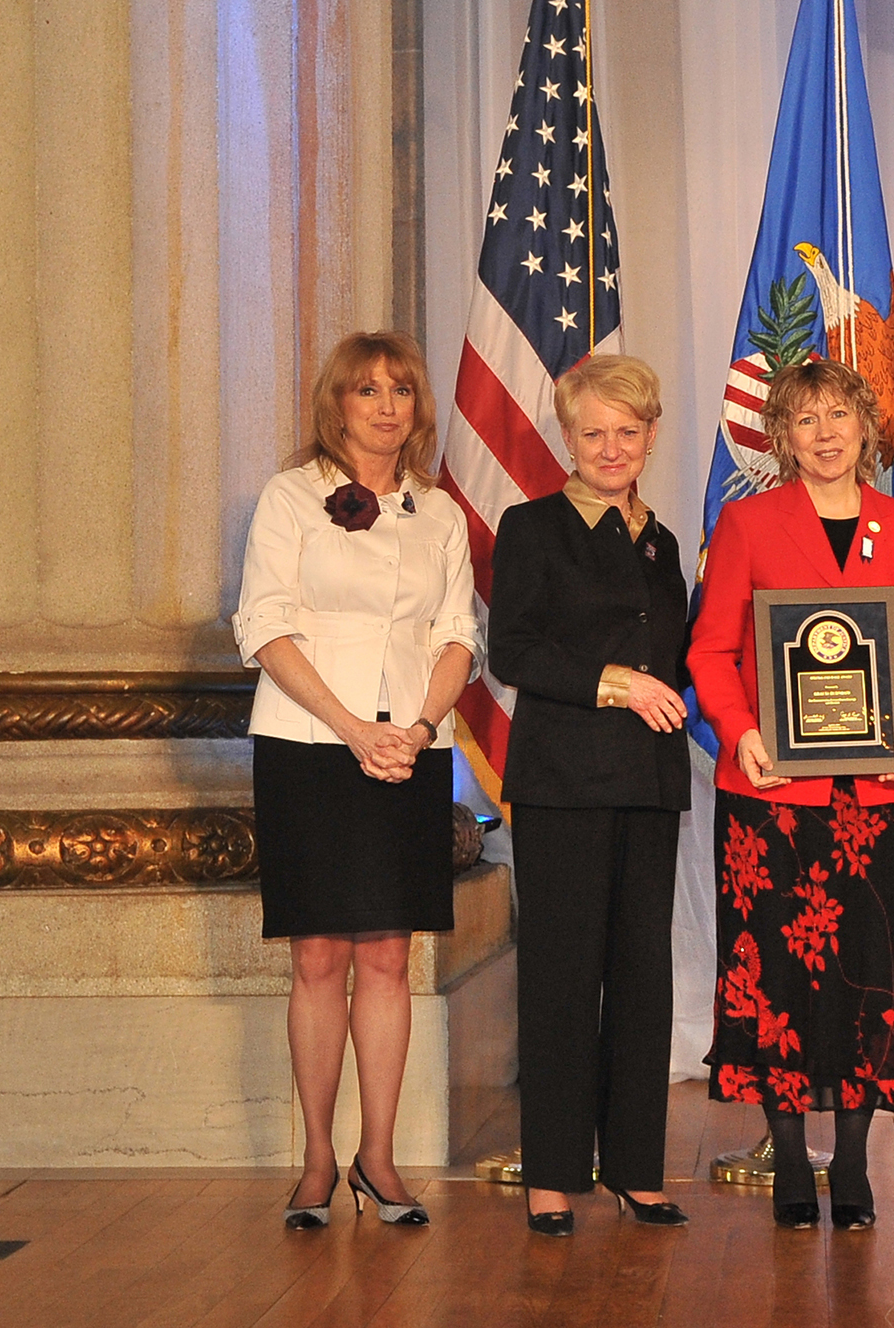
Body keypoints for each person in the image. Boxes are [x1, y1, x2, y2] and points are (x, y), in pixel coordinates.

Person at [232, 330, 480, 1231]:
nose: (385, 404)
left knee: (387, 955)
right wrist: (351, 731)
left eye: (401, 390)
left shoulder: (440, 513)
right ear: (336, 403)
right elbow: (261, 624)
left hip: (410, 751)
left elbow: (461, 637)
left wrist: (411, 730)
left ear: (418, 409)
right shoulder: (289, 498)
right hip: (308, 745)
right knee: (317, 957)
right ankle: (314, 1162)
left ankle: (378, 1157)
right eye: (366, 389)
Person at [688, 359, 894, 1230]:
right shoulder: (749, 522)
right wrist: (741, 730)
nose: (826, 433)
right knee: (778, 977)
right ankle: (793, 1160)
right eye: (805, 419)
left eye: (840, 415)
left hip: (877, 795)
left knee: (873, 977)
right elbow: (712, 651)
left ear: (867, 427)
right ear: (781, 437)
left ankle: (858, 1164)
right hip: (771, 795)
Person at [487, 355, 693, 1237]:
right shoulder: (530, 525)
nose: (611, 447)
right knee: (564, 978)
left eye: (628, 431)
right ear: (566, 439)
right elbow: (516, 652)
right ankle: (554, 1175)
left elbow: (683, 658)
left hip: (649, 783)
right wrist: (615, 681)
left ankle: (638, 1170)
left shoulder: (664, 540)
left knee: (644, 980)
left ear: (651, 436)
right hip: (563, 783)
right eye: (592, 433)